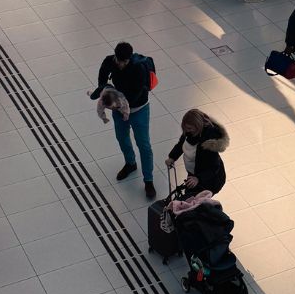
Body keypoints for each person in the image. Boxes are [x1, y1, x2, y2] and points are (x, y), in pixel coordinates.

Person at [91, 42, 156, 196]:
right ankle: (130, 163)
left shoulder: (138, 68)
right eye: (119, 60)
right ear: (115, 56)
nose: (121, 64)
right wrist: (104, 91)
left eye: (124, 62)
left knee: (144, 145)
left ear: (129, 59)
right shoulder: (110, 61)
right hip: (119, 109)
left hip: (139, 109)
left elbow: (136, 95)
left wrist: (118, 103)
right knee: (121, 137)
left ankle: (148, 180)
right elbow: (102, 77)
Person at [164, 109, 229, 194]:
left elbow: (214, 168)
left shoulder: (208, 144)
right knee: (189, 198)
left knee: (195, 202)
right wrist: (172, 157)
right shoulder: (189, 133)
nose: (186, 130)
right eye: (185, 128)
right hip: (194, 174)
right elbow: (181, 145)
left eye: (189, 128)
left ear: (197, 126)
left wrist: (198, 178)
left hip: (208, 181)